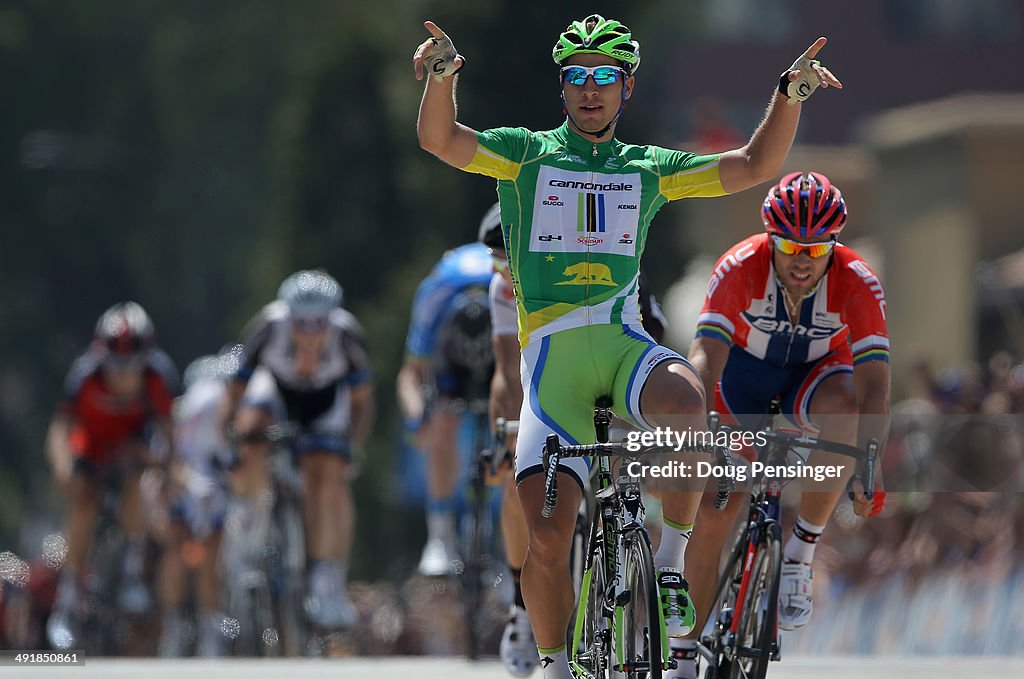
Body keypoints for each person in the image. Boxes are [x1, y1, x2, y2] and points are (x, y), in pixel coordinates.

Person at [412, 13, 843, 679]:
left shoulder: (646, 167)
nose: (590, 89)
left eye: (605, 77)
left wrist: (788, 95)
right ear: (563, 87)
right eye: (577, 77)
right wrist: (442, 79)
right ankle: (554, 663)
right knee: (548, 541)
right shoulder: (525, 153)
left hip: (622, 347)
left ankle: (669, 565)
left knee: (685, 397)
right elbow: (440, 139)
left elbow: (757, 164)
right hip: (553, 369)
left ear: (627, 88)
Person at [683, 172, 889, 678]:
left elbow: (875, 389)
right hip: (741, 383)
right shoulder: (739, 266)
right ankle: (684, 652)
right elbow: (705, 360)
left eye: (816, 251)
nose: (802, 259)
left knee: (847, 409)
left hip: (816, 379)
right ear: (771, 239)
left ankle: (800, 552)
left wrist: (871, 466)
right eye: (792, 246)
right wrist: (698, 432)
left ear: (833, 247)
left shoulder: (858, 280)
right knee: (717, 508)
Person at [483, 205, 669, 676]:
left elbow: (652, 349)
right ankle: (523, 612)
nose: (505, 274)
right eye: (496, 264)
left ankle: (639, 574)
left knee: (631, 471)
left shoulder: (593, 271)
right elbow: (507, 372)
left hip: (615, 380)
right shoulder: (504, 289)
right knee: (516, 480)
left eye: (511, 262)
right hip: (549, 392)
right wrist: (509, 433)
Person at [224, 270, 374, 630]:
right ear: (286, 314)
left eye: (319, 323)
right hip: (276, 395)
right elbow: (236, 391)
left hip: (325, 403)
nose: (310, 332)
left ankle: (323, 578)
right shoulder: (266, 327)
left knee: (327, 473)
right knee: (251, 429)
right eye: (301, 322)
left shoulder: (348, 336)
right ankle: (251, 516)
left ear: (332, 317)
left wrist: (352, 446)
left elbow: (362, 403)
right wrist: (231, 437)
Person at [45, 302, 179, 650]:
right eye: (115, 365)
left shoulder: (158, 375)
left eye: (131, 366)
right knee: (85, 502)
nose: (122, 375)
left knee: (137, 481)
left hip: (133, 445)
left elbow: (170, 432)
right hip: (92, 445)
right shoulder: (84, 374)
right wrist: (63, 468)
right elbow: (60, 429)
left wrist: (167, 469)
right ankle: (70, 596)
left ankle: (133, 570)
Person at [396, 233, 496, 576]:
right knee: (440, 422)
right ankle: (439, 535)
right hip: (448, 366)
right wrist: (415, 419)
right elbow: (411, 374)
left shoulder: (509, 287)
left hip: (505, 355)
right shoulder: (436, 293)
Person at [158, 347, 241, 656]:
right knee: (206, 550)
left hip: (191, 480)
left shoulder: (186, 404)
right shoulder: (212, 399)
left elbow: (173, 456)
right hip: (204, 482)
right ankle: (205, 628)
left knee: (180, 546)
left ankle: (176, 626)